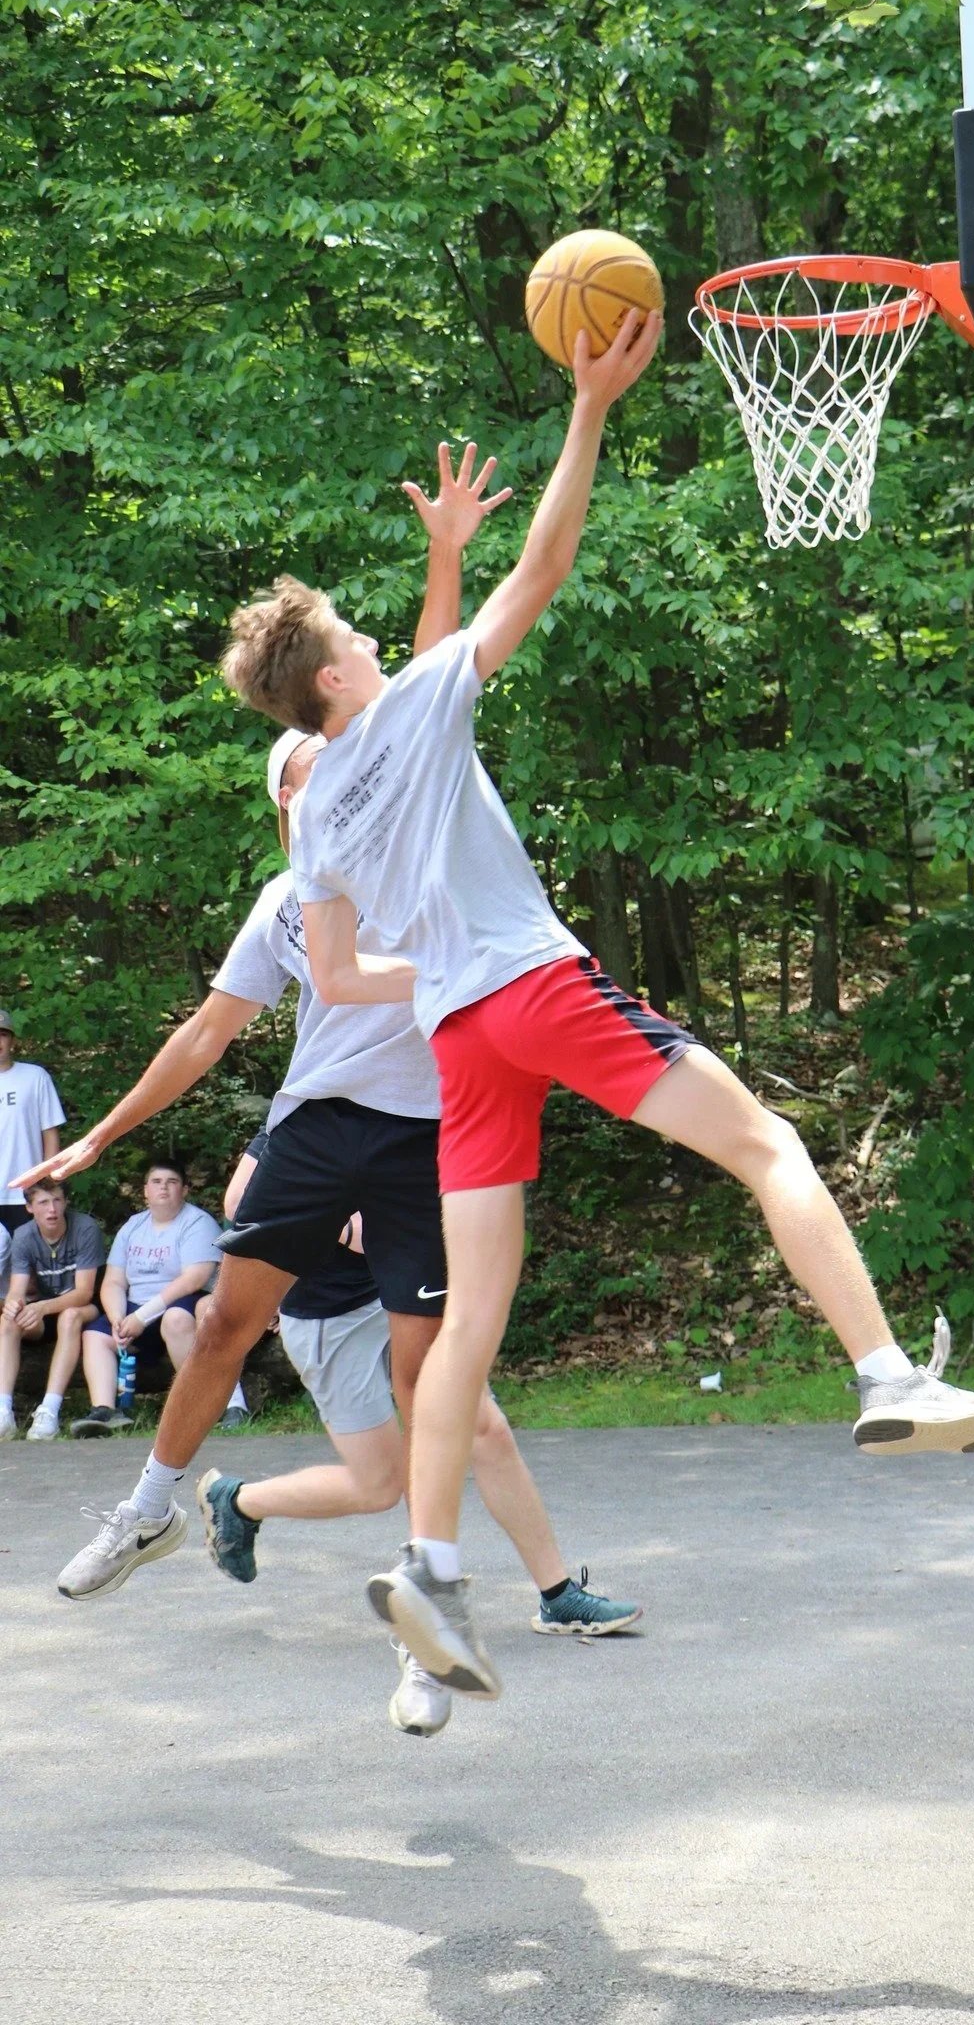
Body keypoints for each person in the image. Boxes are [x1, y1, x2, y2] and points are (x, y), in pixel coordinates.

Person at [223, 308, 974, 1702]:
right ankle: (889, 1376)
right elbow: (542, 574)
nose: (374, 637)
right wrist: (589, 405)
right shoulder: (405, 709)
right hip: (536, 986)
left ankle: (431, 1571)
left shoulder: (322, 817)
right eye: (357, 634)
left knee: (468, 1325)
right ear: (343, 677)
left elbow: (358, 928)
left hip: (459, 1038)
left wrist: (436, 569)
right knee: (765, 1144)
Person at [33, 491, 638, 1708]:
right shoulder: (294, 894)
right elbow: (208, 1031)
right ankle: (152, 1504)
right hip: (322, 1123)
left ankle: (434, 1634)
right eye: (305, 773)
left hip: (432, 1138)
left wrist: (447, 556)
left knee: (442, 1404)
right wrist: (97, 1135)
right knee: (227, 1321)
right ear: (288, 792)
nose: (328, 780)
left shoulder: (411, 810)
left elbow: (431, 668)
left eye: (331, 764)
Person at [200, 1133, 640, 1736]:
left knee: (483, 1427)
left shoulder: (421, 1111)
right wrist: (335, 1220)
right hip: (326, 1314)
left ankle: (558, 1595)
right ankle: (239, 1501)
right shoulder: (313, 1102)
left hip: (403, 1296)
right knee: (379, 1483)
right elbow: (239, 1197)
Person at [70, 1159, 228, 1439]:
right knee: (95, 1334)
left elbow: (195, 1278)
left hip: (179, 1301)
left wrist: (142, 1316)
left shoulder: (197, 1222)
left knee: (176, 1320)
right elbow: (114, 1280)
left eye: (172, 1182)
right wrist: (119, 1319)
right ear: (145, 1190)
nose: (163, 1188)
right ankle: (105, 1411)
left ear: (185, 1190)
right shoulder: (133, 1226)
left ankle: (199, 1406)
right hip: (133, 1307)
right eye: (156, 1182)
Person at [0, 1176, 103, 1441]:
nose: (52, 1209)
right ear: (30, 1208)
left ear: (66, 1202)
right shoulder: (23, 1236)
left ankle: (49, 1409)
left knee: (69, 1317)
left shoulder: (85, 1228)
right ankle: (3, 1410)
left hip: (85, 1308)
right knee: (8, 1321)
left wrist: (43, 1307)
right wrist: (13, 1304)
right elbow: (17, 1289)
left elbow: (84, 1293)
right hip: (45, 1312)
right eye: (43, 1202)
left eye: (57, 1200)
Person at [0, 1011, 65, 1235]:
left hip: (27, 1192)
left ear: (12, 1041)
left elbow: (50, 1132)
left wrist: (47, 1181)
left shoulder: (35, 1077)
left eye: (3, 1035)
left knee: (27, 1265)